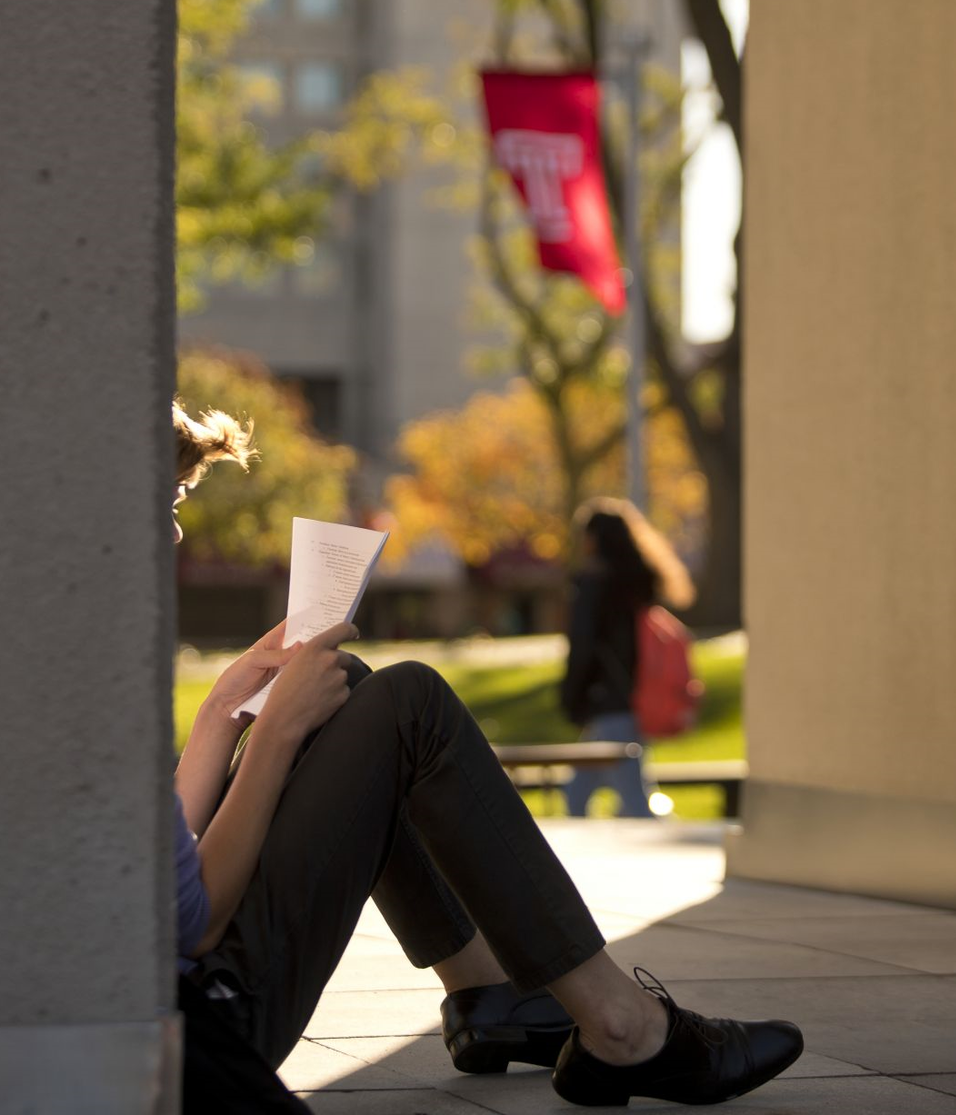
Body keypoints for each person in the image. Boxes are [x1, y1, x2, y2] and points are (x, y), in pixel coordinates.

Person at [171, 400, 802, 1106]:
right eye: (166, 499)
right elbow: (192, 922)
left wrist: (224, 714)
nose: (173, 527)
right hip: (200, 1019)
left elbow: (152, 861)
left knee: (349, 688)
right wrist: (275, 735)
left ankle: (486, 991)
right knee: (412, 702)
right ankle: (624, 1028)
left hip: (171, 995)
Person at [560, 497, 695, 818]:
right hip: (633, 699)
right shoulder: (635, 586)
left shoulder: (595, 587)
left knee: (632, 801)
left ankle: (658, 858)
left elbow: (583, 648)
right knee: (579, 791)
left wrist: (571, 698)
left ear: (593, 539)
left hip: (610, 703)